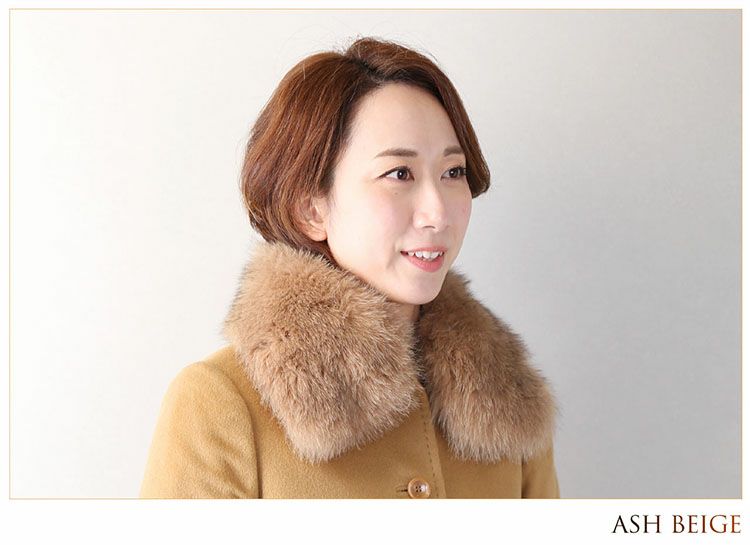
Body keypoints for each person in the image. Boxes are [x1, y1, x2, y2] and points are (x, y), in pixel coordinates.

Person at [140, 36, 560, 499]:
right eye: (399, 174)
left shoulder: (508, 400)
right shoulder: (220, 403)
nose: (438, 213)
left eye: (453, 172)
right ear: (310, 209)